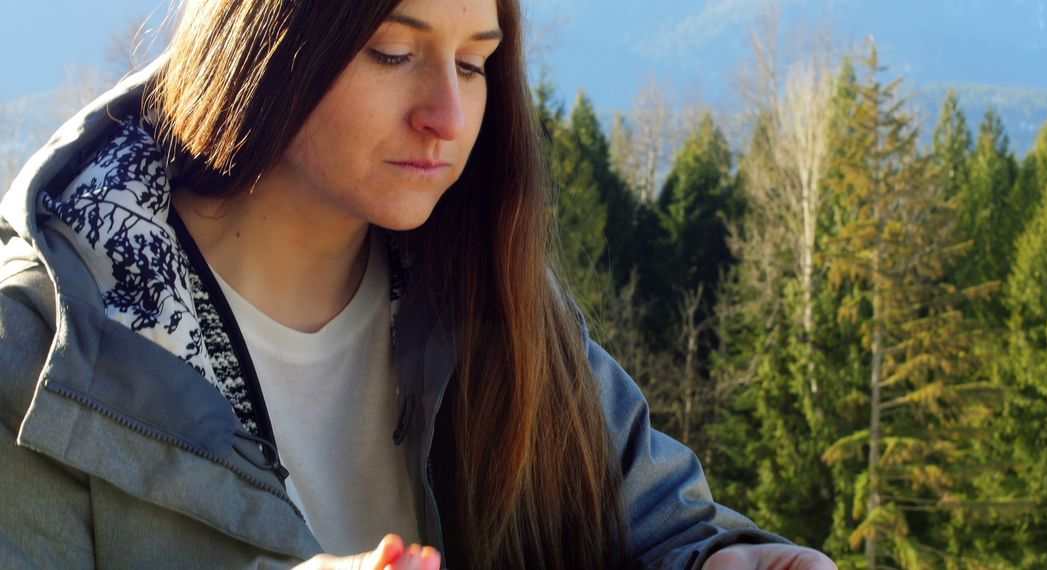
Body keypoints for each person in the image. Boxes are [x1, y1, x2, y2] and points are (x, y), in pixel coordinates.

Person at [0, 0, 837, 568]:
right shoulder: (39, 352)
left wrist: (724, 559)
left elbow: (655, 525)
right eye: (394, 52)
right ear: (267, 42)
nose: (448, 114)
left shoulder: (499, 298)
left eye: (476, 64)